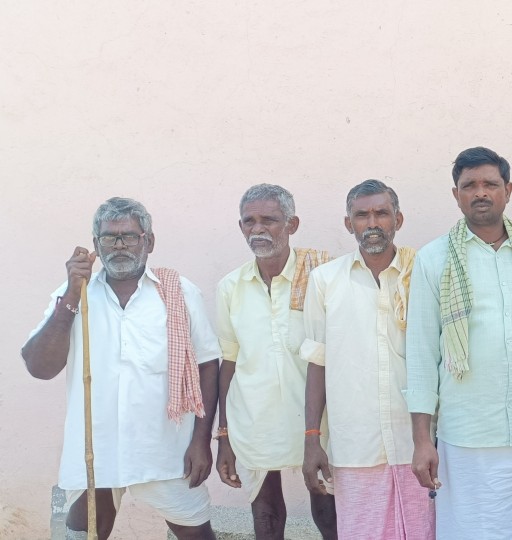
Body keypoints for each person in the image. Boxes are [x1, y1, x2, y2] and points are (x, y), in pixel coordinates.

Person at [22, 197, 220, 540]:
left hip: (164, 447)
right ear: (96, 245)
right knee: (85, 531)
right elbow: (39, 367)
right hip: (95, 449)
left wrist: (202, 441)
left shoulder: (180, 293)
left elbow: (207, 366)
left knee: (195, 532)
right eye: (109, 238)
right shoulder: (73, 296)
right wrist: (71, 296)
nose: (119, 246)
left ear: (149, 241)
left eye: (129, 236)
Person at [405, 147, 512, 539]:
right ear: (455, 195)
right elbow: (422, 355)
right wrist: (422, 440)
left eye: (490, 184)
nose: (480, 192)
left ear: (507, 190)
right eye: (469, 185)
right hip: (465, 434)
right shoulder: (433, 258)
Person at [300, 179, 431, 539]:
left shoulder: (422, 274)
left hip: (417, 442)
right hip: (355, 444)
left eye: (381, 213)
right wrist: (312, 439)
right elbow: (317, 362)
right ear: (349, 224)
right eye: (362, 215)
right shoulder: (325, 280)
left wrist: (429, 438)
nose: (372, 223)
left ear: (398, 220)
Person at [213, 184, 336, 538]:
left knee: (328, 507)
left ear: (292, 224)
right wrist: (224, 435)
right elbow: (229, 361)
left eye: (269, 220)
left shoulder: (320, 276)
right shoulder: (230, 287)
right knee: (265, 512)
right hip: (255, 417)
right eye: (249, 221)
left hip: (319, 417)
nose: (258, 229)